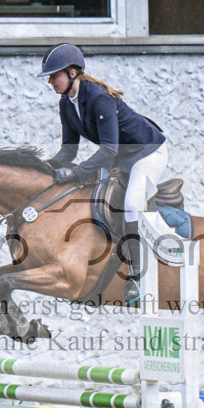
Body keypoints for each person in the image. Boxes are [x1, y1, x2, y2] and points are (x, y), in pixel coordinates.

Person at [37, 43, 168, 306]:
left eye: (54, 75)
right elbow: (68, 151)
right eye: (49, 77)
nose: (50, 81)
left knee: (131, 205)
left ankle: (135, 278)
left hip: (147, 152)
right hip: (122, 156)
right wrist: (44, 168)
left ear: (73, 73)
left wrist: (75, 173)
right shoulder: (66, 104)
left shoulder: (98, 98)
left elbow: (108, 151)